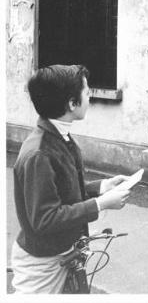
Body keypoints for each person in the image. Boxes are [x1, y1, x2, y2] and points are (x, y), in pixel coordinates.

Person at [11, 64, 131, 293]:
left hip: (61, 253)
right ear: (71, 103)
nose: (90, 97)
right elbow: (45, 219)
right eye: (87, 93)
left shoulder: (58, 136)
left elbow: (61, 190)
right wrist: (101, 204)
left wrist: (102, 187)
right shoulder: (39, 153)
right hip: (42, 263)